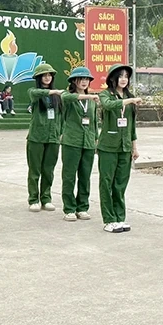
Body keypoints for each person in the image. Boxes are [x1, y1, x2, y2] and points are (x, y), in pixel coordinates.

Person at [98, 64, 142, 233]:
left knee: (120, 183)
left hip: (125, 147)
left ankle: (119, 217)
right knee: (106, 182)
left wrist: (134, 147)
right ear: (112, 78)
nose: (124, 79)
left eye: (126, 76)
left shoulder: (130, 97)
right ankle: (109, 219)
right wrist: (129, 101)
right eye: (120, 76)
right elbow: (108, 105)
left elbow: (132, 126)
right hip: (108, 146)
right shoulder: (105, 94)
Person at [60, 67, 99, 222]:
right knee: (69, 176)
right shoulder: (69, 96)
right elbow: (65, 97)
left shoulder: (92, 102)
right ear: (74, 81)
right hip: (71, 141)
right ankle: (69, 208)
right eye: (81, 79)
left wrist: (96, 138)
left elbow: (95, 122)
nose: (84, 81)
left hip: (88, 142)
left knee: (85, 176)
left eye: (86, 79)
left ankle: (82, 207)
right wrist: (88, 97)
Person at [26, 64, 63, 213]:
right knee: (35, 170)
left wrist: (61, 132)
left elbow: (62, 117)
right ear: (38, 78)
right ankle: (33, 199)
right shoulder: (34, 93)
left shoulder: (58, 97)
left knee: (49, 170)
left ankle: (46, 198)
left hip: (53, 138)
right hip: (36, 137)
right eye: (44, 75)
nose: (47, 78)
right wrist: (53, 91)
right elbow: (35, 93)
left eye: (50, 75)